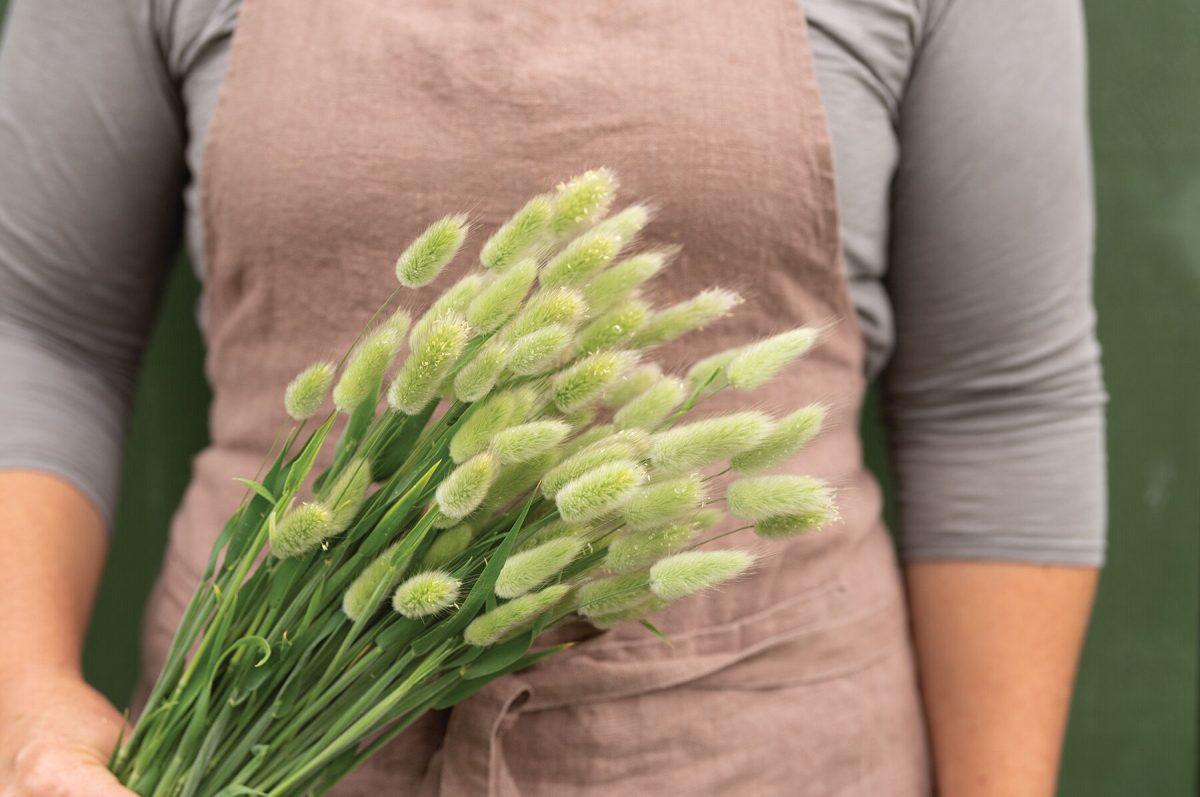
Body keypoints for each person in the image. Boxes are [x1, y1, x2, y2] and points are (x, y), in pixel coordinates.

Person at [0, 0, 1106, 794]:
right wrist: (30, 707)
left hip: (767, 754)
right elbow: (40, 325)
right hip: (248, 737)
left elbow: (997, 395)